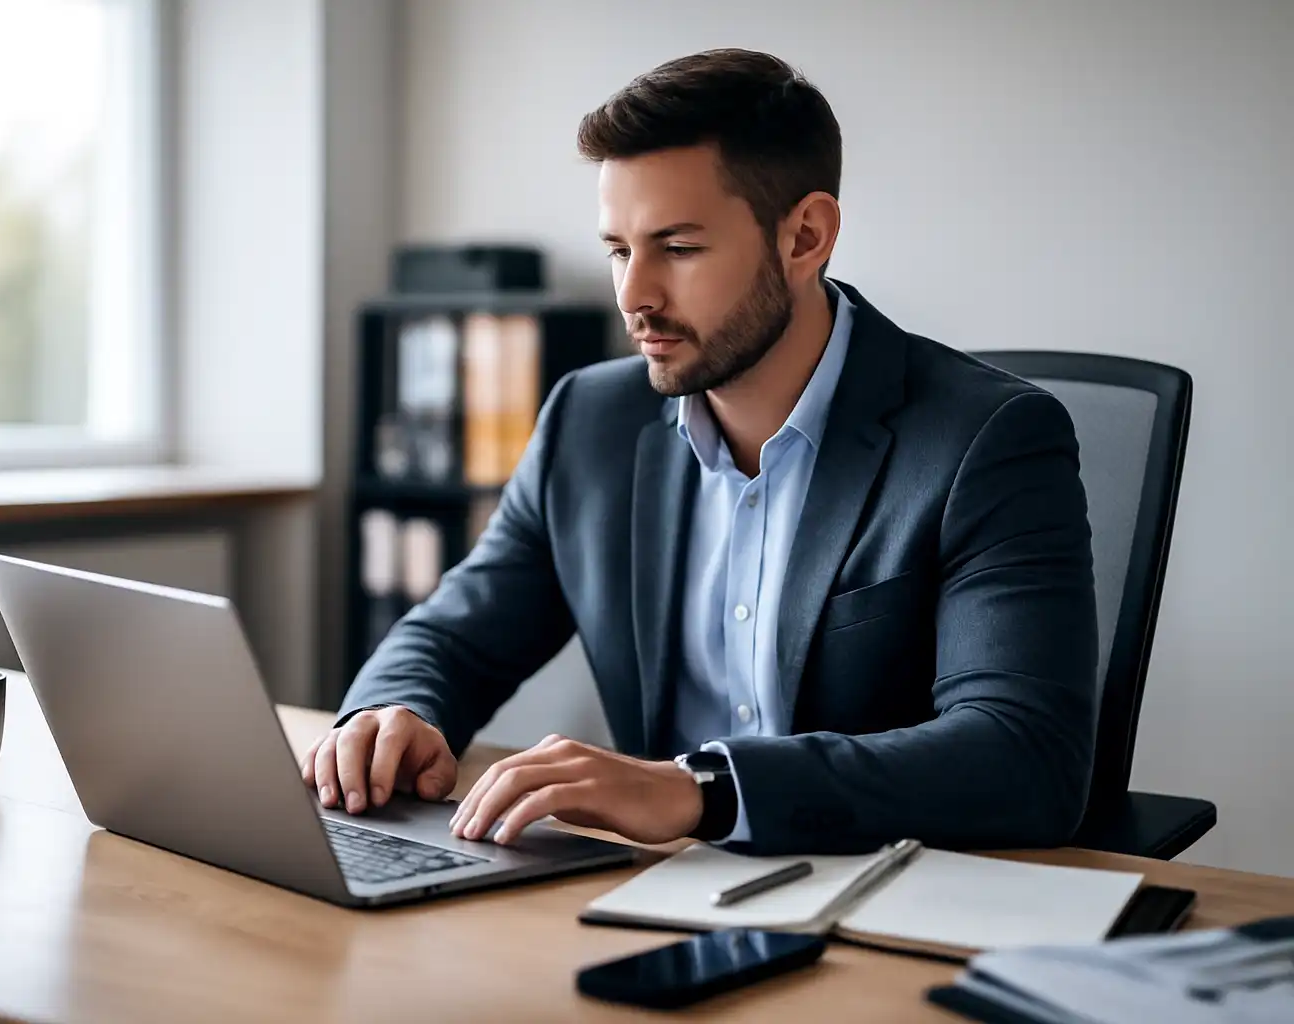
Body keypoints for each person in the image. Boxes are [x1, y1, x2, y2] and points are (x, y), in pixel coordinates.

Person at [301, 48, 1099, 856]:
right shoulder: (591, 420)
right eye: (619, 249)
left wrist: (706, 791)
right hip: (652, 890)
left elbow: (1023, 755)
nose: (633, 296)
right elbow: (457, 632)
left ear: (806, 236)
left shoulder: (986, 439)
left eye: (677, 248)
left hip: (872, 903)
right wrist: (391, 710)